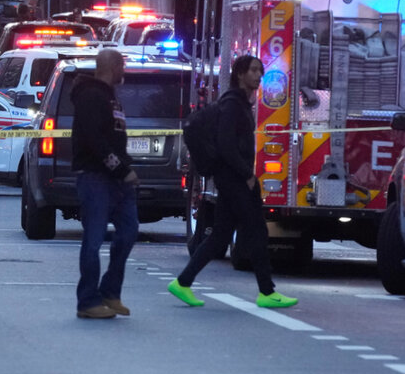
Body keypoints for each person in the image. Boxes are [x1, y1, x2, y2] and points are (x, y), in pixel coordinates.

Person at [168, 55, 299, 309]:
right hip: (233, 178)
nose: (258, 75)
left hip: (230, 178)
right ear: (239, 74)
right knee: (257, 230)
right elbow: (226, 145)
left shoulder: (239, 104)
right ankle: (267, 292)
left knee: (220, 235)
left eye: (260, 71)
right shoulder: (232, 105)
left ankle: (183, 282)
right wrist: (247, 175)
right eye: (253, 70)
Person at [71, 49, 139, 319]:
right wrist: (120, 168)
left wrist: (126, 167)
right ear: (112, 66)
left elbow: (113, 137)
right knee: (94, 240)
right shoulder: (91, 96)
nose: (124, 71)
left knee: (129, 231)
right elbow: (94, 140)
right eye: (121, 66)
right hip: (95, 178)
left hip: (118, 180)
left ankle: (110, 292)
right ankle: (88, 301)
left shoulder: (111, 97)